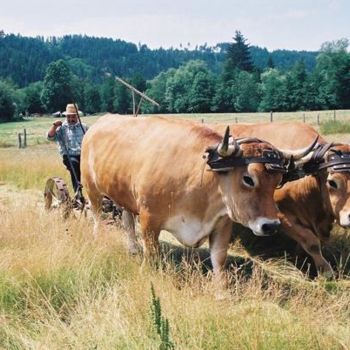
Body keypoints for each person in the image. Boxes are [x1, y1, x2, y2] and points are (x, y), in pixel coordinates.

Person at [47, 103, 88, 204]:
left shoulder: (84, 127)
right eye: (69, 116)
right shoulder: (61, 128)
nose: (71, 119)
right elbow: (50, 137)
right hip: (69, 156)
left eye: (73, 116)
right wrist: (54, 125)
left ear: (77, 116)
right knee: (75, 164)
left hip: (84, 155)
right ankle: (78, 193)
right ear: (66, 116)